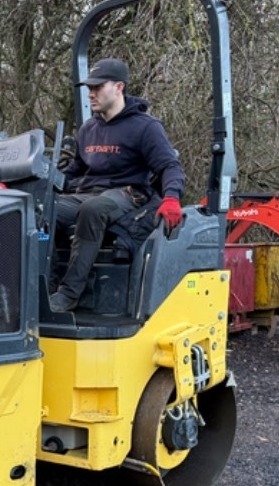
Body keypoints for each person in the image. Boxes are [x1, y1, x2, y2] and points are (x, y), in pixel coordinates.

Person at [49, 58, 186, 312]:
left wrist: (171, 198)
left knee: (93, 209)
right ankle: (46, 287)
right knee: (42, 210)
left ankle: (70, 294)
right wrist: (41, 184)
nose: (91, 93)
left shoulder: (146, 127)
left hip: (128, 194)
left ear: (119, 87)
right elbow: (75, 170)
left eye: (98, 87)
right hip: (87, 193)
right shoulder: (88, 129)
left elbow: (169, 166)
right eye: (89, 88)